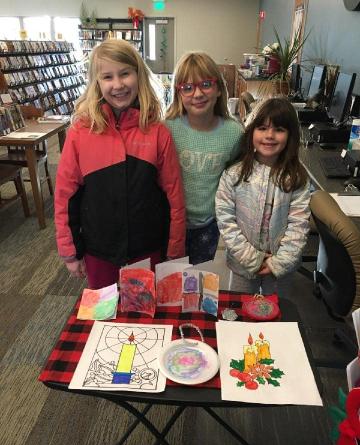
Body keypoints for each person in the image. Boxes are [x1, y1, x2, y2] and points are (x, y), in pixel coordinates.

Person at [55, 39, 185, 289]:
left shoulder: (157, 132)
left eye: (125, 73)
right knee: (104, 318)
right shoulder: (81, 132)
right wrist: (70, 252)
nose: (118, 85)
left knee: (145, 320)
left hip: (146, 249)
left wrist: (175, 247)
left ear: (138, 74)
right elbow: (65, 196)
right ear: (96, 82)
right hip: (99, 251)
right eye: (107, 77)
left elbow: (174, 196)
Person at [215, 97, 310, 295]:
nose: (270, 135)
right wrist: (252, 259)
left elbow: (298, 225)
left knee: (277, 314)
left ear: (290, 135)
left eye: (279, 129)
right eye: (263, 128)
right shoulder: (234, 174)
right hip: (243, 264)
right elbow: (226, 220)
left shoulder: (296, 178)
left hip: (279, 268)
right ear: (251, 132)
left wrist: (279, 262)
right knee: (239, 312)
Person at [165, 52, 243, 265]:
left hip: (208, 224)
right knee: (167, 278)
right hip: (170, 223)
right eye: (187, 88)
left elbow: (236, 179)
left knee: (195, 280)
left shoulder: (234, 133)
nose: (197, 94)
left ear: (219, 89)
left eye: (206, 84)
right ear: (178, 93)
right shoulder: (167, 129)